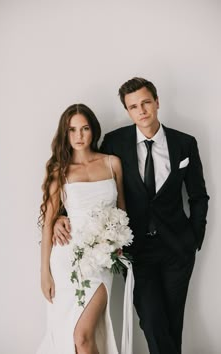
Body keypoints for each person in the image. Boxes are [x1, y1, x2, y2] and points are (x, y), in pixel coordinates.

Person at [53, 78, 209, 354]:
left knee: (173, 323)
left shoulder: (184, 143)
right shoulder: (115, 142)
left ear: (157, 102)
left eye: (146, 102)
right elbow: (89, 180)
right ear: (128, 111)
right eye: (134, 106)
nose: (142, 111)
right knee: (151, 320)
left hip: (178, 249)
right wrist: (60, 216)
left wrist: (194, 239)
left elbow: (198, 197)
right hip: (137, 250)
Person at [36, 103, 134, 354]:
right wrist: (44, 272)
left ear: (94, 131)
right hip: (66, 259)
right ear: (65, 134)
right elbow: (48, 224)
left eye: (85, 128)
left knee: (83, 333)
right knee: (74, 337)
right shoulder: (60, 171)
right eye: (72, 130)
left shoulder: (113, 163)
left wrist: (118, 242)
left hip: (101, 260)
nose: (79, 136)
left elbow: (122, 211)